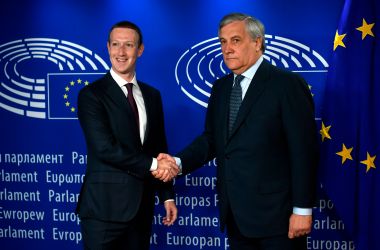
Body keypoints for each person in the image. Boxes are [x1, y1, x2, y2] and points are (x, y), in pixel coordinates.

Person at [155, 13, 318, 250]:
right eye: (223, 41)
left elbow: (304, 151)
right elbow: (212, 140)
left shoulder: (286, 84)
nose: (227, 49)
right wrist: (177, 163)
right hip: (236, 217)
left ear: (257, 42)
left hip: (279, 220)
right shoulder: (221, 87)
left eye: (235, 40)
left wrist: (302, 209)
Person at [76, 20, 179, 250]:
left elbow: (159, 147)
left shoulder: (152, 96)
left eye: (129, 45)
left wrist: (167, 196)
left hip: (140, 210)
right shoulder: (91, 95)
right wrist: (155, 164)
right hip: (103, 211)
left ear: (140, 50)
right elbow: (105, 148)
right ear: (108, 47)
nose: (121, 52)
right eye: (115, 45)